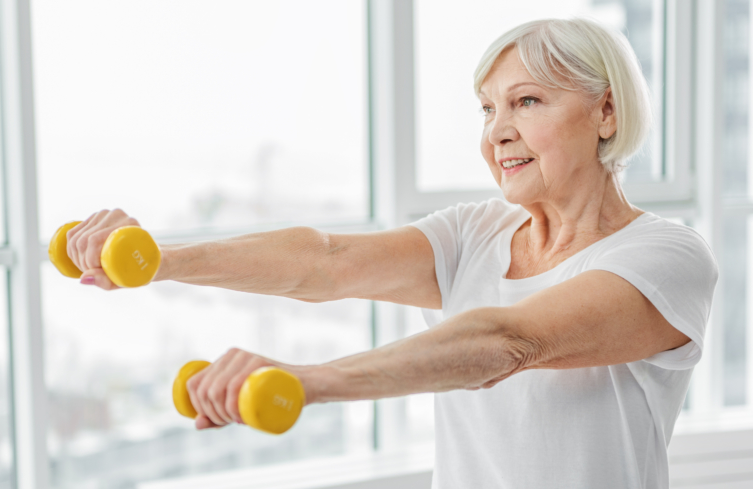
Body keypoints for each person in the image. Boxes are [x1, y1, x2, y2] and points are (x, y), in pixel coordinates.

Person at [65, 18, 718, 489]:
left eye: (527, 101)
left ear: (606, 111)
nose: (497, 132)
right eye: (487, 109)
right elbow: (327, 259)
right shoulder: (478, 233)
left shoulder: (666, 256)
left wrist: (307, 381)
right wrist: (160, 258)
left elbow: (509, 339)